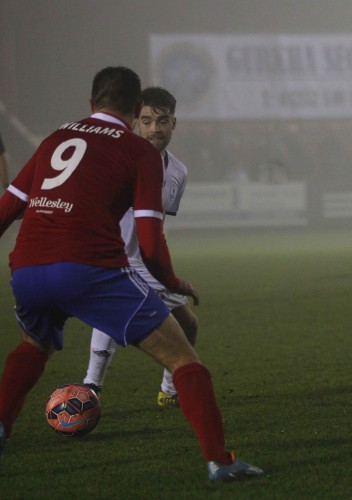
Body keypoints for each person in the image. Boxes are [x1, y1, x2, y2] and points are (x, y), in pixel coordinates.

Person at [0, 67, 261, 480]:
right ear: (137, 108)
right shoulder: (139, 153)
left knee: (34, 345)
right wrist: (174, 283)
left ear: (91, 104)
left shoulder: (55, 138)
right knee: (182, 357)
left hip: (28, 268)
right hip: (88, 269)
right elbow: (151, 243)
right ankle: (219, 461)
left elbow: (9, 206)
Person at [82, 86, 199, 407]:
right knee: (112, 317)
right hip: (117, 259)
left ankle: (168, 392)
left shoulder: (178, 171)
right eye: (146, 120)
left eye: (162, 121)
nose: (154, 129)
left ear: (174, 123)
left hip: (148, 261)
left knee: (188, 324)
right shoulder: (117, 158)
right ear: (135, 121)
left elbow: (157, 224)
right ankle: (90, 387)